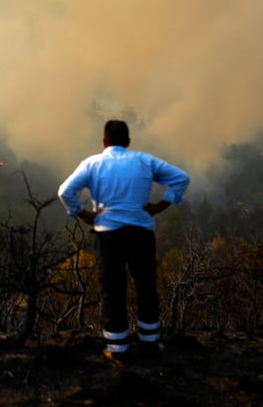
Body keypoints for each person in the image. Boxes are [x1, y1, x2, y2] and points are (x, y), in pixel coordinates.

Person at [58, 120, 190, 361]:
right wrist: (161, 205)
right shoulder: (144, 161)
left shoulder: (92, 164)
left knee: (112, 288)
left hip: (108, 234)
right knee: (146, 286)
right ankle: (149, 343)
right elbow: (181, 178)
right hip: (140, 231)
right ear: (128, 142)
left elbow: (64, 191)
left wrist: (84, 214)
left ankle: (118, 348)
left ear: (104, 141)